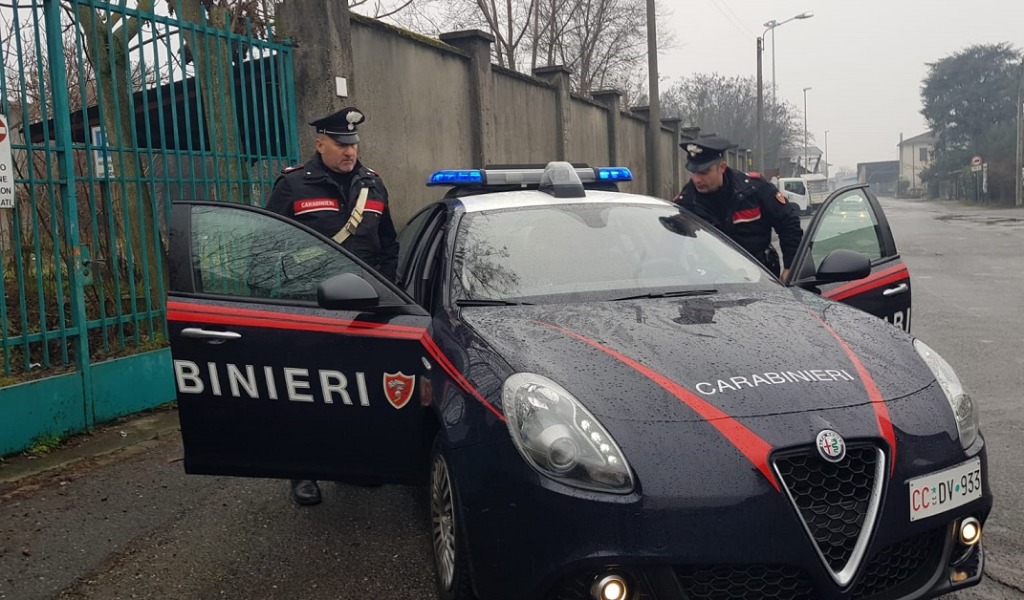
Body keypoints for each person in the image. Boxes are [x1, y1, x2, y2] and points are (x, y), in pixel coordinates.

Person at [265, 107, 399, 506]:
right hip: (313, 307)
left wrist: (387, 289)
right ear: (320, 143)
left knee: (357, 392)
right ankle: (303, 471)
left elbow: (388, 245)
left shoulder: (373, 186)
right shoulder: (293, 186)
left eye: (353, 145)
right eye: (341, 144)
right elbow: (269, 243)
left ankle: (350, 466)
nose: (349, 152)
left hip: (364, 309)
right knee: (308, 393)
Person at [672, 136, 803, 280]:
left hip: (761, 276)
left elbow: (788, 222)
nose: (697, 179)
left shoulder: (754, 189)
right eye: (693, 172)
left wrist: (791, 267)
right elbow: (671, 244)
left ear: (721, 167)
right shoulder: (687, 202)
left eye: (704, 172)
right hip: (710, 280)